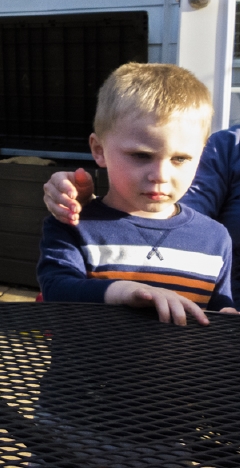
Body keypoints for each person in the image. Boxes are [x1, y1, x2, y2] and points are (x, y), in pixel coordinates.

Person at [37, 63, 236, 325]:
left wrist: (227, 319)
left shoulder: (215, 237)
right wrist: (125, 291)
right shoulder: (73, 224)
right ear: (99, 150)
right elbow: (56, 290)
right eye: (141, 155)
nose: (161, 175)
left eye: (180, 159)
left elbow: (217, 309)